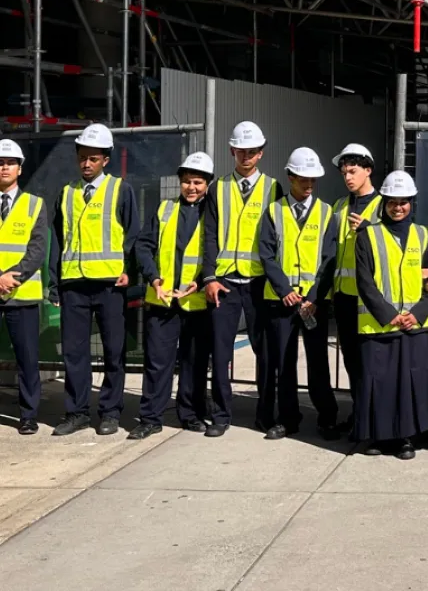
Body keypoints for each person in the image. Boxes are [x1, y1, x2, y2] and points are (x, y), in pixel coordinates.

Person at [49, 123, 139, 437]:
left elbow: (132, 234)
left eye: (94, 158)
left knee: (114, 351)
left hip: (110, 284)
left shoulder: (120, 189)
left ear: (106, 160)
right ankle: (76, 413)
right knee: (74, 352)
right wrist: (54, 279)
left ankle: (110, 413)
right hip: (73, 283)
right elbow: (58, 239)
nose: (87, 164)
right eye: (83, 157)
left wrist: (130, 269)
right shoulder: (67, 192)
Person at [201, 120, 282, 437]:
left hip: (260, 283)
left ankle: (264, 414)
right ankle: (221, 415)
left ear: (261, 153)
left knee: (265, 354)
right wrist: (209, 277)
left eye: (252, 151)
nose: (246, 156)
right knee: (220, 354)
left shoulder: (273, 189)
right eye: (241, 150)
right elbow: (209, 236)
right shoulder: (217, 189)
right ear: (232, 150)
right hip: (225, 283)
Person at [354, 170, 428, 459]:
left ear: (412, 203)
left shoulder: (422, 234)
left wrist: (417, 313)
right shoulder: (368, 235)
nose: (399, 207)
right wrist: (390, 314)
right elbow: (364, 281)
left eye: (404, 202)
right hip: (380, 325)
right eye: (393, 202)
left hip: (414, 325)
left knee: (409, 384)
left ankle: (406, 438)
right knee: (380, 384)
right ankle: (378, 437)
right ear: (384, 203)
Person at [130, 152, 214, 440]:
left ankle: (190, 414)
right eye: (187, 182)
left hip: (196, 301)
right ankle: (150, 417)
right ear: (180, 182)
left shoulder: (212, 215)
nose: (192, 187)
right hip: (163, 299)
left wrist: (201, 281)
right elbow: (143, 246)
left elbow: (217, 255)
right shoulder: (164, 210)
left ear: (208, 184)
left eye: (198, 182)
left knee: (194, 362)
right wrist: (153, 277)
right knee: (157, 362)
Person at [258, 147, 339, 441]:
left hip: (313, 304)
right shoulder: (273, 211)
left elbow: (331, 259)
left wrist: (315, 297)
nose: (307, 185)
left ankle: (327, 417)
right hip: (281, 302)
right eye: (302, 179)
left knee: (318, 363)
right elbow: (266, 255)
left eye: (312, 180)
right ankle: (287, 419)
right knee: (284, 363)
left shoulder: (327, 213)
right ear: (289, 177)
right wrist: (285, 291)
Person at [331, 143, 381, 430]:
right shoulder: (339, 206)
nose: (348, 177)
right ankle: (358, 416)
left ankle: (373, 418)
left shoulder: (384, 205)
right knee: (351, 362)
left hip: (372, 300)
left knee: (371, 363)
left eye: (353, 171)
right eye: (344, 172)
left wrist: (369, 230)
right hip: (345, 298)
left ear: (368, 170)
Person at [0, 139, 45, 435]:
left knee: (27, 358)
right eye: (0, 163)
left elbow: (38, 249)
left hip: (22, 294)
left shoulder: (34, 204)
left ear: (20, 168)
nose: (4, 167)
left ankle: (28, 414)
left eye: (9, 163)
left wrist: (10, 277)